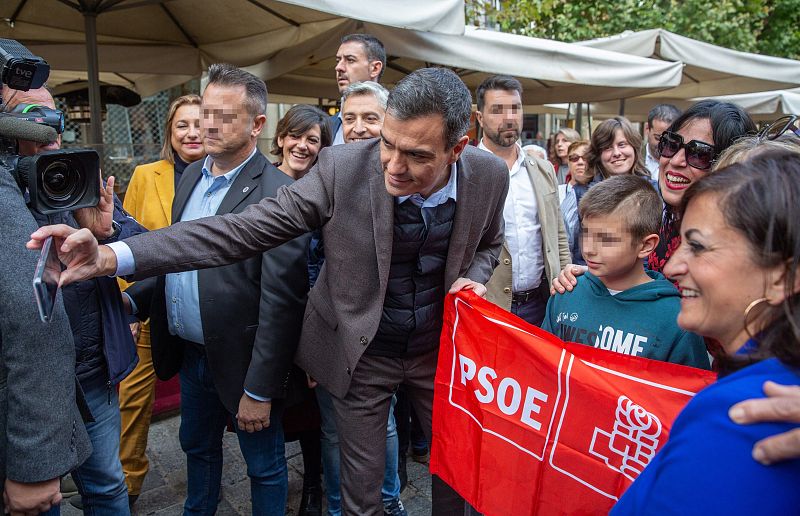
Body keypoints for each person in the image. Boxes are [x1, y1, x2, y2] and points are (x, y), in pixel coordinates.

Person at [30, 67, 510, 516]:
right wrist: (113, 256)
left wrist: (475, 274)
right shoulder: (342, 168)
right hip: (362, 356)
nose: (395, 166)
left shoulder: (489, 176)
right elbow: (238, 230)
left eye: (418, 155)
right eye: (388, 144)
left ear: (458, 147)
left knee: (460, 474)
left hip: (440, 350)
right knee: (360, 491)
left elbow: (490, 242)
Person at [123, 64, 310, 516]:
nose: (208, 124)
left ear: (257, 124)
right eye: (206, 112)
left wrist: (260, 390)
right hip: (190, 354)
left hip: (245, 362)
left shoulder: (280, 194)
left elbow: (283, 304)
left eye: (224, 116)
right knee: (197, 448)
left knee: (263, 466)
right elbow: (177, 261)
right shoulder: (190, 175)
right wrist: (131, 301)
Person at [612, 151, 800, 514]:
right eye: (681, 243)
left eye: (697, 246)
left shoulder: (744, 415)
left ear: (782, 277)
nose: (671, 266)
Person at [6, 85, 145, 515]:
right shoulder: (6, 192)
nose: (48, 127)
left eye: (54, 116)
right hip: (24, 386)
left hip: (91, 374)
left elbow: (146, 253)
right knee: (40, 500)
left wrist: (108, 233)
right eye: (31, 115)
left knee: (107, 485)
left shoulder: (76, 174)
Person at [305, 81, 407, 516]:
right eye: (349, 119)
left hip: (383, 336)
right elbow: (312, 261)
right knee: (333, 430)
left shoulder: (403, 178)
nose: (359, 127)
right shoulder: (328, 174)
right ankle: (336, 507)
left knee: (382, 424)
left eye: (370, 118)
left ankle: (389, 499)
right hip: (334, 332)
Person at [553, 101, 755, 293]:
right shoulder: (667, 218)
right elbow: (648, 277)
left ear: (730, 165)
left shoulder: (738, 244)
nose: (675, 160)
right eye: (671, 144)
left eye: (698, 154)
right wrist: (597, 275)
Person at [116, 93, 204, 507]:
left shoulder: (222, 177)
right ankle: (127, 481)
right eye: (182, 125)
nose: (191, 133)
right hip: (150, 306)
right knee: (132, 395)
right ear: (170, 132)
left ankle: (206, 477)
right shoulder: (145, 174)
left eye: (199, 124)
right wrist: (127, 307)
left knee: (205, 398)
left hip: (201, 308)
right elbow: (124, 244)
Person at [541, 175, 709, 368]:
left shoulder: (677, 319)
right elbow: (542, 364)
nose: (588, 249)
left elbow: (689, 384)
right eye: (585, 232)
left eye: (606, 239)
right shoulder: (567, 293)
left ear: (646, 245)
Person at [0, 162, 92, 516]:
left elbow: (34, 314)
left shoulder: (72, 179)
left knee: (105, 483)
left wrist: (36, 465)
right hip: (52, 391)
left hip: (84, 368)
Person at [270, 103, 332, 516]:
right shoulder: (261, 185)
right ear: (280, 138)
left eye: (313, 140)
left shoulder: (324, 191)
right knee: (272, 404)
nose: (303, 146)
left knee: (310, 413)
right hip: (268, 314)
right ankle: (273, 479)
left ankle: (313, 483)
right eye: (296, 136)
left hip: (309, 314)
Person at [476, 75, 570, 327]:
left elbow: (557, 233)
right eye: (498, 110)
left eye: (515, 108)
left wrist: (565, 278)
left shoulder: (542, 169)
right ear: (480, 118)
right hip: (487, 304)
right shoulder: (464, 169)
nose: (509, 118)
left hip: (542, 302)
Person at [330, 34, 385, 144]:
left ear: (375, 68)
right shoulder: (327, 126)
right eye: (338, 60)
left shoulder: (399, 122)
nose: (338, 67)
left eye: (350, 60)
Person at [557, 139, 592, 264]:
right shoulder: (556, 192)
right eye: (574, 158)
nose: (580, 162)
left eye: (586, 157)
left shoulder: (600, 193)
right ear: (568, 162)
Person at [643, 104, 681, 181]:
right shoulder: (632, 158)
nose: (663, 145)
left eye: (670, 141)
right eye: (658, 138)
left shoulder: (682, 161)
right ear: (647, 129)